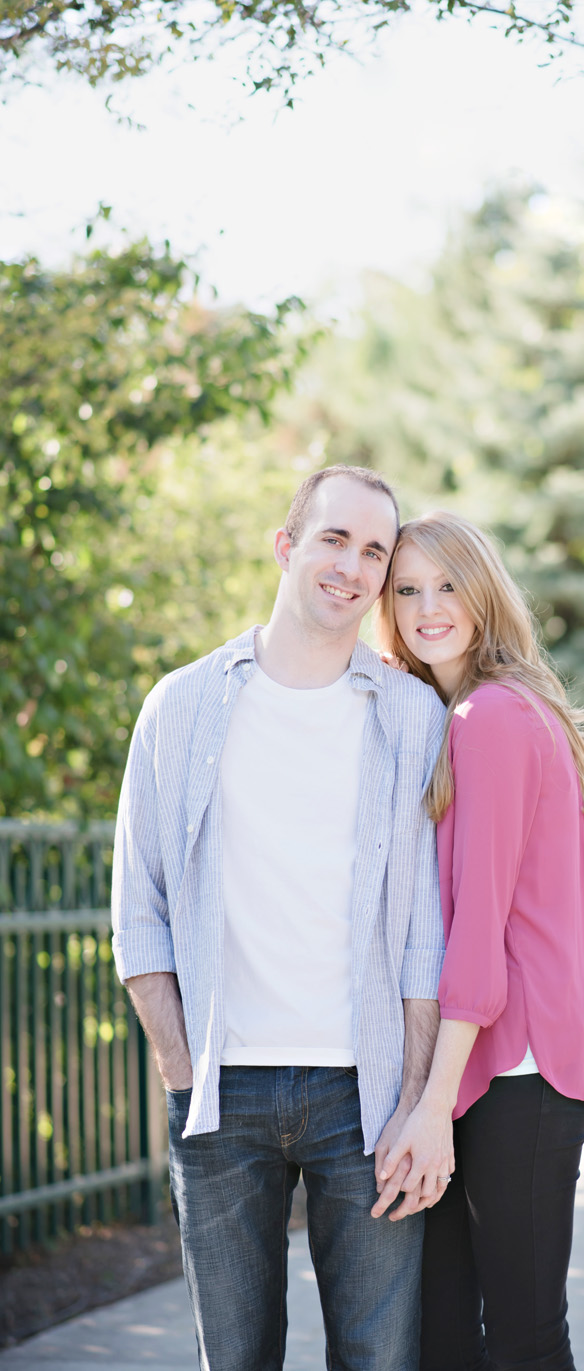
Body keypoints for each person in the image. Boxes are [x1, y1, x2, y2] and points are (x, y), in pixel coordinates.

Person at [111, 465, 450, 1371]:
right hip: (223, 1095)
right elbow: (137, 913)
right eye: (335, 538)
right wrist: (183, 1072)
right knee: (237, 1357)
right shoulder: (180, 707)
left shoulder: (412, 717)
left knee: (379, 1357)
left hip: (365, 1094)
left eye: (374, 550)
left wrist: (413, 1096)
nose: (352, 565)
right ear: (287, 544)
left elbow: (424, 933)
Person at [372, 510, 584, 1371]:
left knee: (522, 1339)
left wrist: (430, 1105)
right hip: (490, 1069)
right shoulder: (474, 712)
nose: (426, 606)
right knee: (446, 1337)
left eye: (446, 585)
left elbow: (478, 925)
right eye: (406, 590)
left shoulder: (493, 717)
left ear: (483, 594)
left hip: (517, 1070)